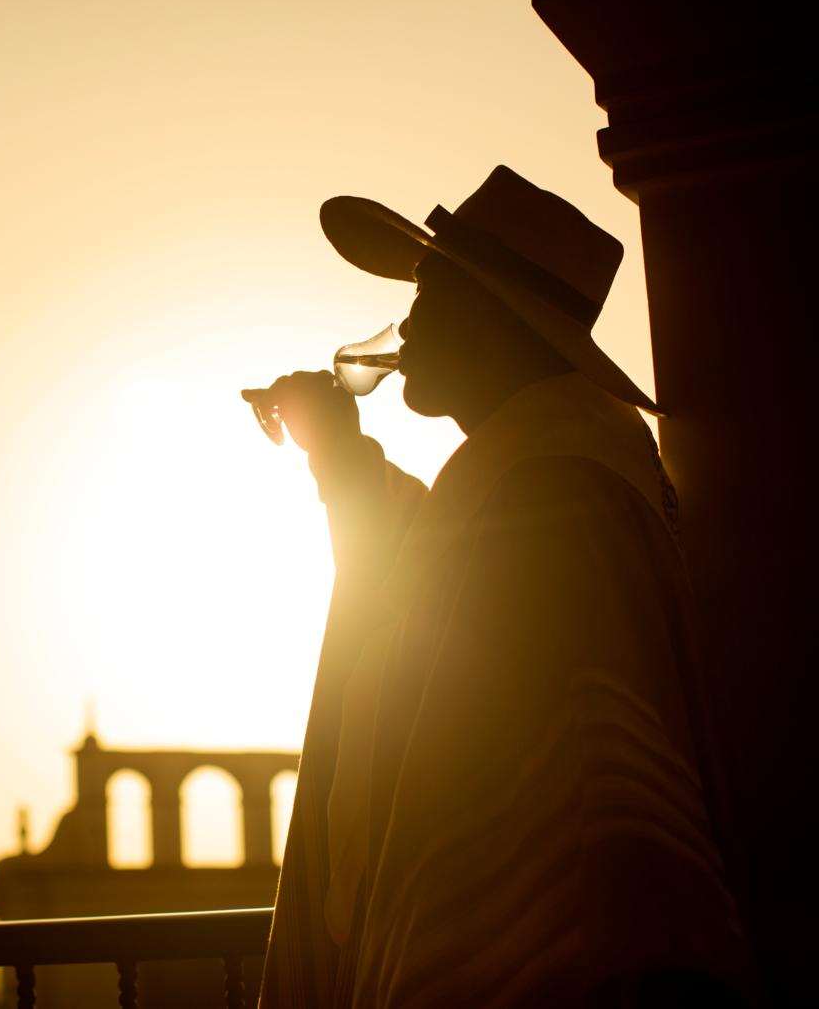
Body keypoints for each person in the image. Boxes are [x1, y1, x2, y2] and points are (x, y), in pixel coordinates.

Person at [255, 166, 753, 1008]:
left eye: (432, 292)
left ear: (498, 320)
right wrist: (339, 458)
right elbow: (432, 586)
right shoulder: (548, 465)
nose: (406, 324)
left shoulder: (554, 489)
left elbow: (586, 799)